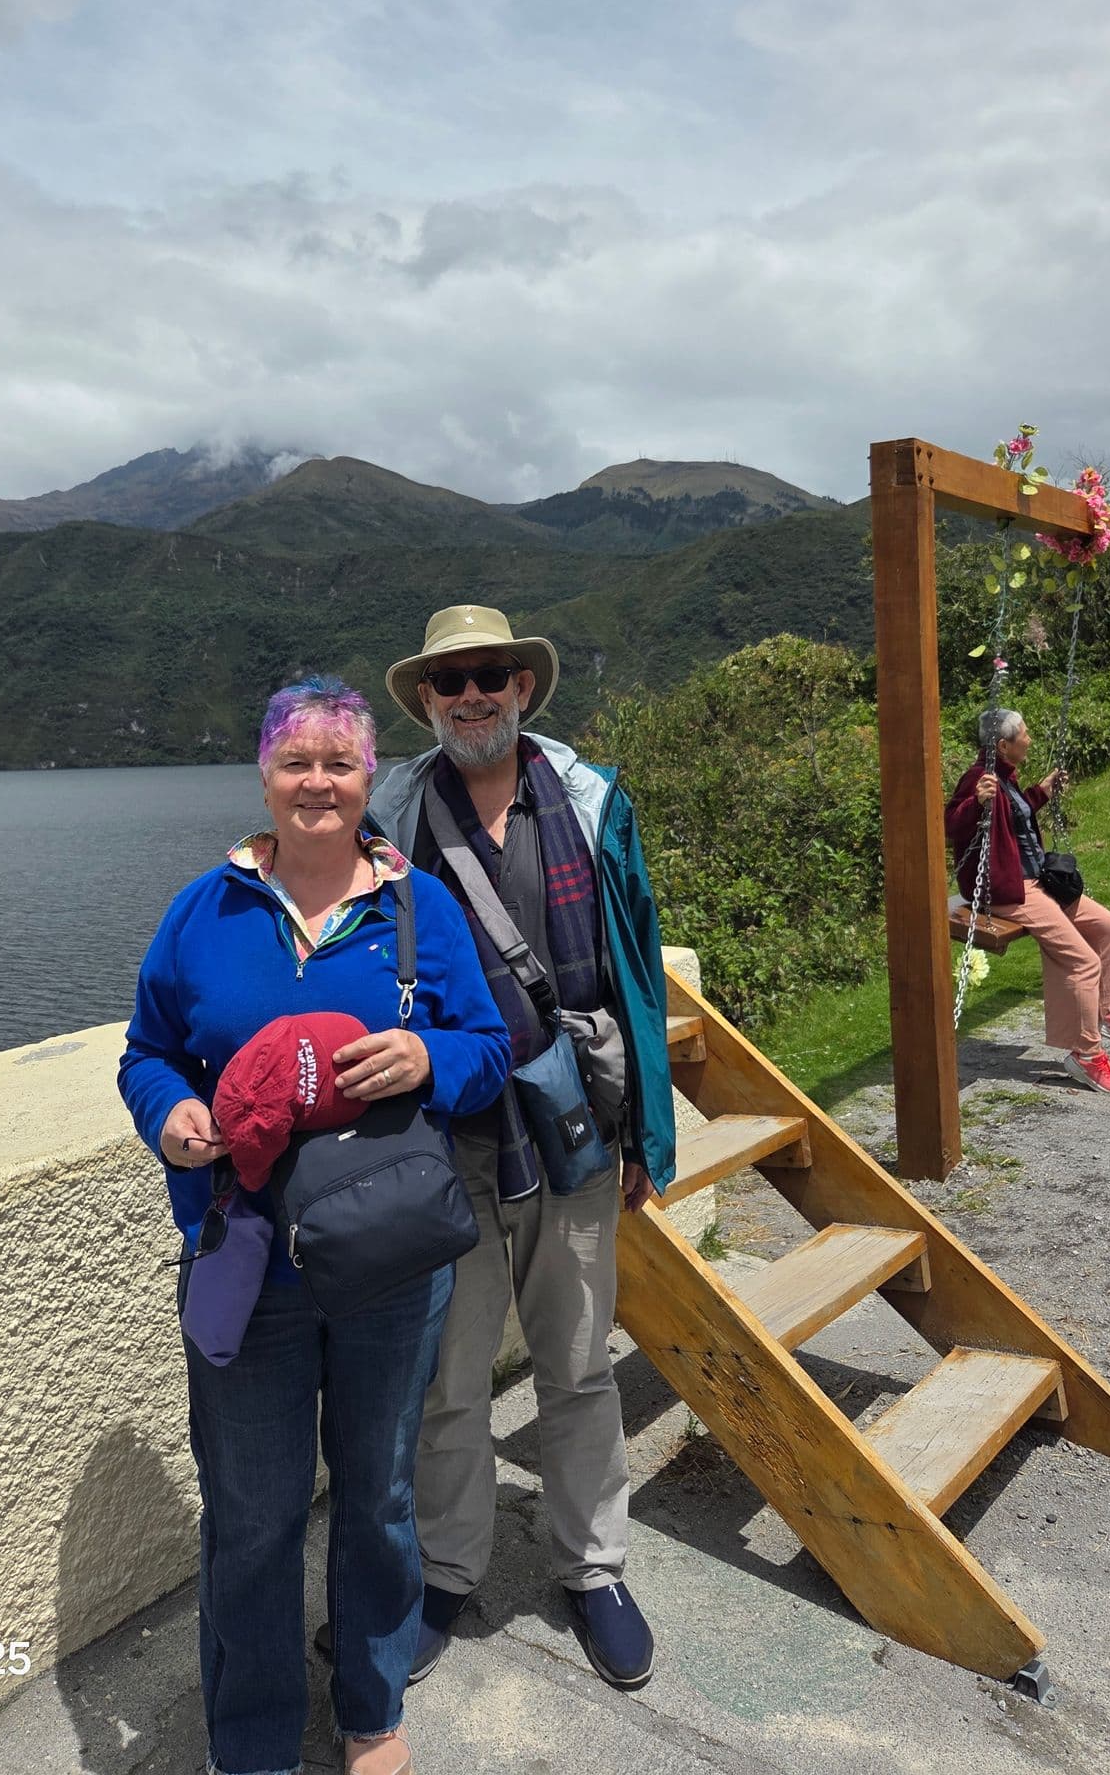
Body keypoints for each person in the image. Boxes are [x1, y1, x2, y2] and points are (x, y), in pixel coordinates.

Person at [119, 675, 510, 1775]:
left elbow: (486, 1049)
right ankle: (249, 1738)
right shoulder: (205, 908)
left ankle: (371, 1708)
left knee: (380, 1494)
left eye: (340, 762)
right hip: (245, 1258)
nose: (318, 782)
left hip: (387, 1260)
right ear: (265, 774)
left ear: (366, 771)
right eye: (297, 761)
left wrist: (432, 1056)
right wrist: (172, 1113)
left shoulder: (417, 908)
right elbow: (145, 1050)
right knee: (252, 1511)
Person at [368, 606, 676, 1693]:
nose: (472, 693)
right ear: (424, 700)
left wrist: (650, 1131)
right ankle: (448, 1571)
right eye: (449, 679)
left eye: (490, 673)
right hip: (444, 1140)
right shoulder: (392, 811)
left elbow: (637, 966)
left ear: (524, 687)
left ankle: (594, 1570)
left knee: (580, 1366)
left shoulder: (594, 804)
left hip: (576, 1129)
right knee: (449, 1380)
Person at [945, 708, 1110, 1096]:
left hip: (1037, 881)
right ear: (1004, 746)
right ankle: (1087, 1056)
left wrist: (1041, 793)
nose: (1030, 738)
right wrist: (974, 802)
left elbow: (1015, 820)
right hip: (1010, 891)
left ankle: (1109, 1011)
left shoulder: (1006, 778)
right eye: (1024, 733)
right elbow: (951, 823)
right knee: (1082, 961)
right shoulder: (979, 778)